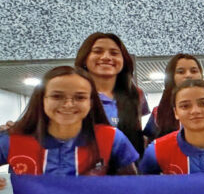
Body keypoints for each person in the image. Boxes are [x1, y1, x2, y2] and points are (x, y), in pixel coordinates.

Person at [0, 66, 138, 182]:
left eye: (80, 97)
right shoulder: (12, 139)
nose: (68, 104)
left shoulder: (112, 138)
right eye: (57, 96)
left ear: (91, 102)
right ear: (42, 100)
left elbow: (131, 187)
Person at [74, 32, 147, 156]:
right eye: (98, 51)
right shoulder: (72, 94)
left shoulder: (135, 94)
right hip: (84, 167)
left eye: (114, 53)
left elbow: (136, 135)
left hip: (128, 169)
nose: (106, 57)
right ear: (85, 58)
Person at [144, 53, 204, 140]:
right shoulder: (158, 113)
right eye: (181, 72)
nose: (188, 75)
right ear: (171, 76)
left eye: (194, 71)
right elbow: (149, 144)